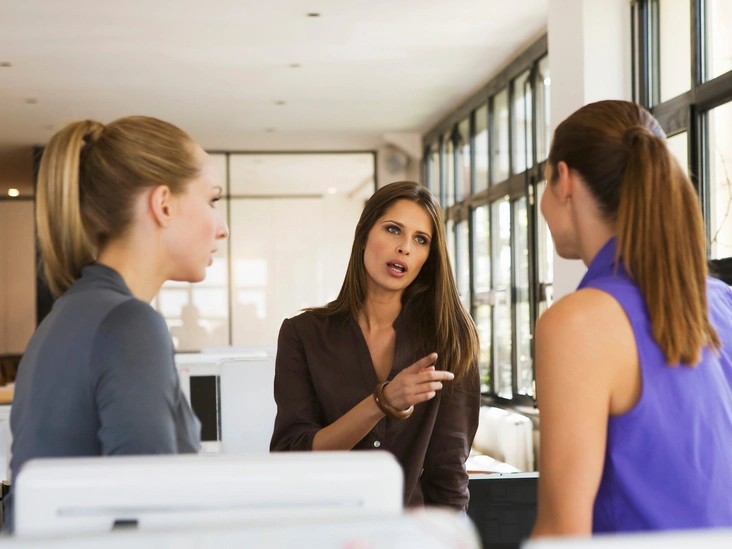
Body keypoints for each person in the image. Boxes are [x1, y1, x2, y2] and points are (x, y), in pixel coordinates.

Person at [5, 116, 229, 529]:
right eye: (212, 200)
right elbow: (146, 514)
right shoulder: (130, 324)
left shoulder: (66, 316)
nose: (223, 228)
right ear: (164, 205)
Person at [531, 100, 732, 536]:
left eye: (544, 183)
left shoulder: (578, 324)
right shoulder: (722, 302)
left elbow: (562, 534)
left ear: (564, 180)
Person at [270, 181, 481, 511]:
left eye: (420, 239)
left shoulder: (449, 339)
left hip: (413, 532)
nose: (405, 248)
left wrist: (446, 533)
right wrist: (383, 401)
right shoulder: (303, 335)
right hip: (324, 528)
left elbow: (448, 474)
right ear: (363, 234)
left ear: (428, 257)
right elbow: (291, 456)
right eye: (393, 229)